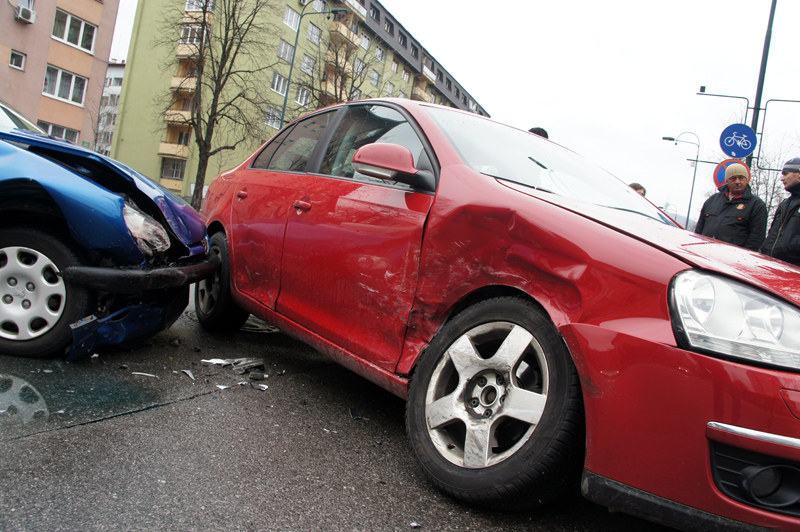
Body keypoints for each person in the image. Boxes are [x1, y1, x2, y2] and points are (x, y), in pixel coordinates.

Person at [694, 162, 767, 251]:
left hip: (733, 258)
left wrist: (743, 257)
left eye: (741, 178)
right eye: (733, 178)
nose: (737, 182)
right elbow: (699, 228)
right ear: (727, 181)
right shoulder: (712, 200)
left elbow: (756, 238)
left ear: (746, 180)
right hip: (705, 252)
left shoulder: (756, 205)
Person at [761, 157, 800, 266]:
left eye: (786, 174)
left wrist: (791, 249)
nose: (782, 179)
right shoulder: (785, 204)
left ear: (799, 174)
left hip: (794, 267)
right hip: (774, 264)